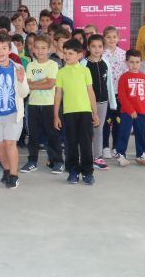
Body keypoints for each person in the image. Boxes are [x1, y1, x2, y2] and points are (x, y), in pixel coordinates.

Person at [0, 34, 30, 189]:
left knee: (10, 143)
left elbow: (24, 94)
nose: (0, 51)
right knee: (0, 147)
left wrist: (22, 79)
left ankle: (14, 175)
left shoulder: (19, 68)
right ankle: (7, 170)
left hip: (13, 114)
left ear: (10, 50)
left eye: (4, 48)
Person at [54, 38, 99, 185]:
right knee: (70, 144)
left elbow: (91, 92)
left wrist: (95, 113)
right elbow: (58, 94)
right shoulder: (61, 72)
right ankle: (73, 171)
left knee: (86, 144)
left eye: (71, 53)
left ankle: (87, 172)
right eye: (65, 53)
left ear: (80, 54)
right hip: (68, 114)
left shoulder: (85, 71)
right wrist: (56, 115)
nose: (67, 56)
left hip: (85, 113)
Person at [21, 35, 63, 174]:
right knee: (33, 135)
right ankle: (32, 161)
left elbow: (51, 84)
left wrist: (36, 83)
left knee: (52, 134)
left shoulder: (52, 65)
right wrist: (42, 81)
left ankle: (57, 161)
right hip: (33, 105)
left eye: (43, 48)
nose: (40, 51)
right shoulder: (31, 65)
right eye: (37, 47)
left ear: (49, 49)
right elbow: (27, 85)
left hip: (49, 105)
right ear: (32, 49)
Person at [81, 34, 117, 171]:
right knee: (86, 130)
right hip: (86, 103)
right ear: (88, 47)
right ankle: (85, 156)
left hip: (102, 102)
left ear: (104, 48)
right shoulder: (83, 64)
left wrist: (112, 102)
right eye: (93, 46)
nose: (97, 49)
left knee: (99, 129)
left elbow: (109, 84)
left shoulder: (106, 63)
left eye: (100, 46)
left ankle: (97, 156)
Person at [116, 50, 145, 167]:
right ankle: (120, 154)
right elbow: (122, 97)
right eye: (131, 62)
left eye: (137, 62)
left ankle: (141, 154)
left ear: (140, 62)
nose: (134, 65)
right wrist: (130, 110)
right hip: (127, 113)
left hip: (142, 112)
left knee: (141, 134)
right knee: (124, 133)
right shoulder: (123, 77)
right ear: (126, 62)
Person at [102, 26, 126, 158]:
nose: (111, 39)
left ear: (118, 38)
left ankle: (116, 146)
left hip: (119, 94)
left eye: (114, 37)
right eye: (108, 37)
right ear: (104, 38)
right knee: (106, 121)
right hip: (105, 94)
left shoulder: (123, 54)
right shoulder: (101, 54)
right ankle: (105, 146)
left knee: (118, 121)